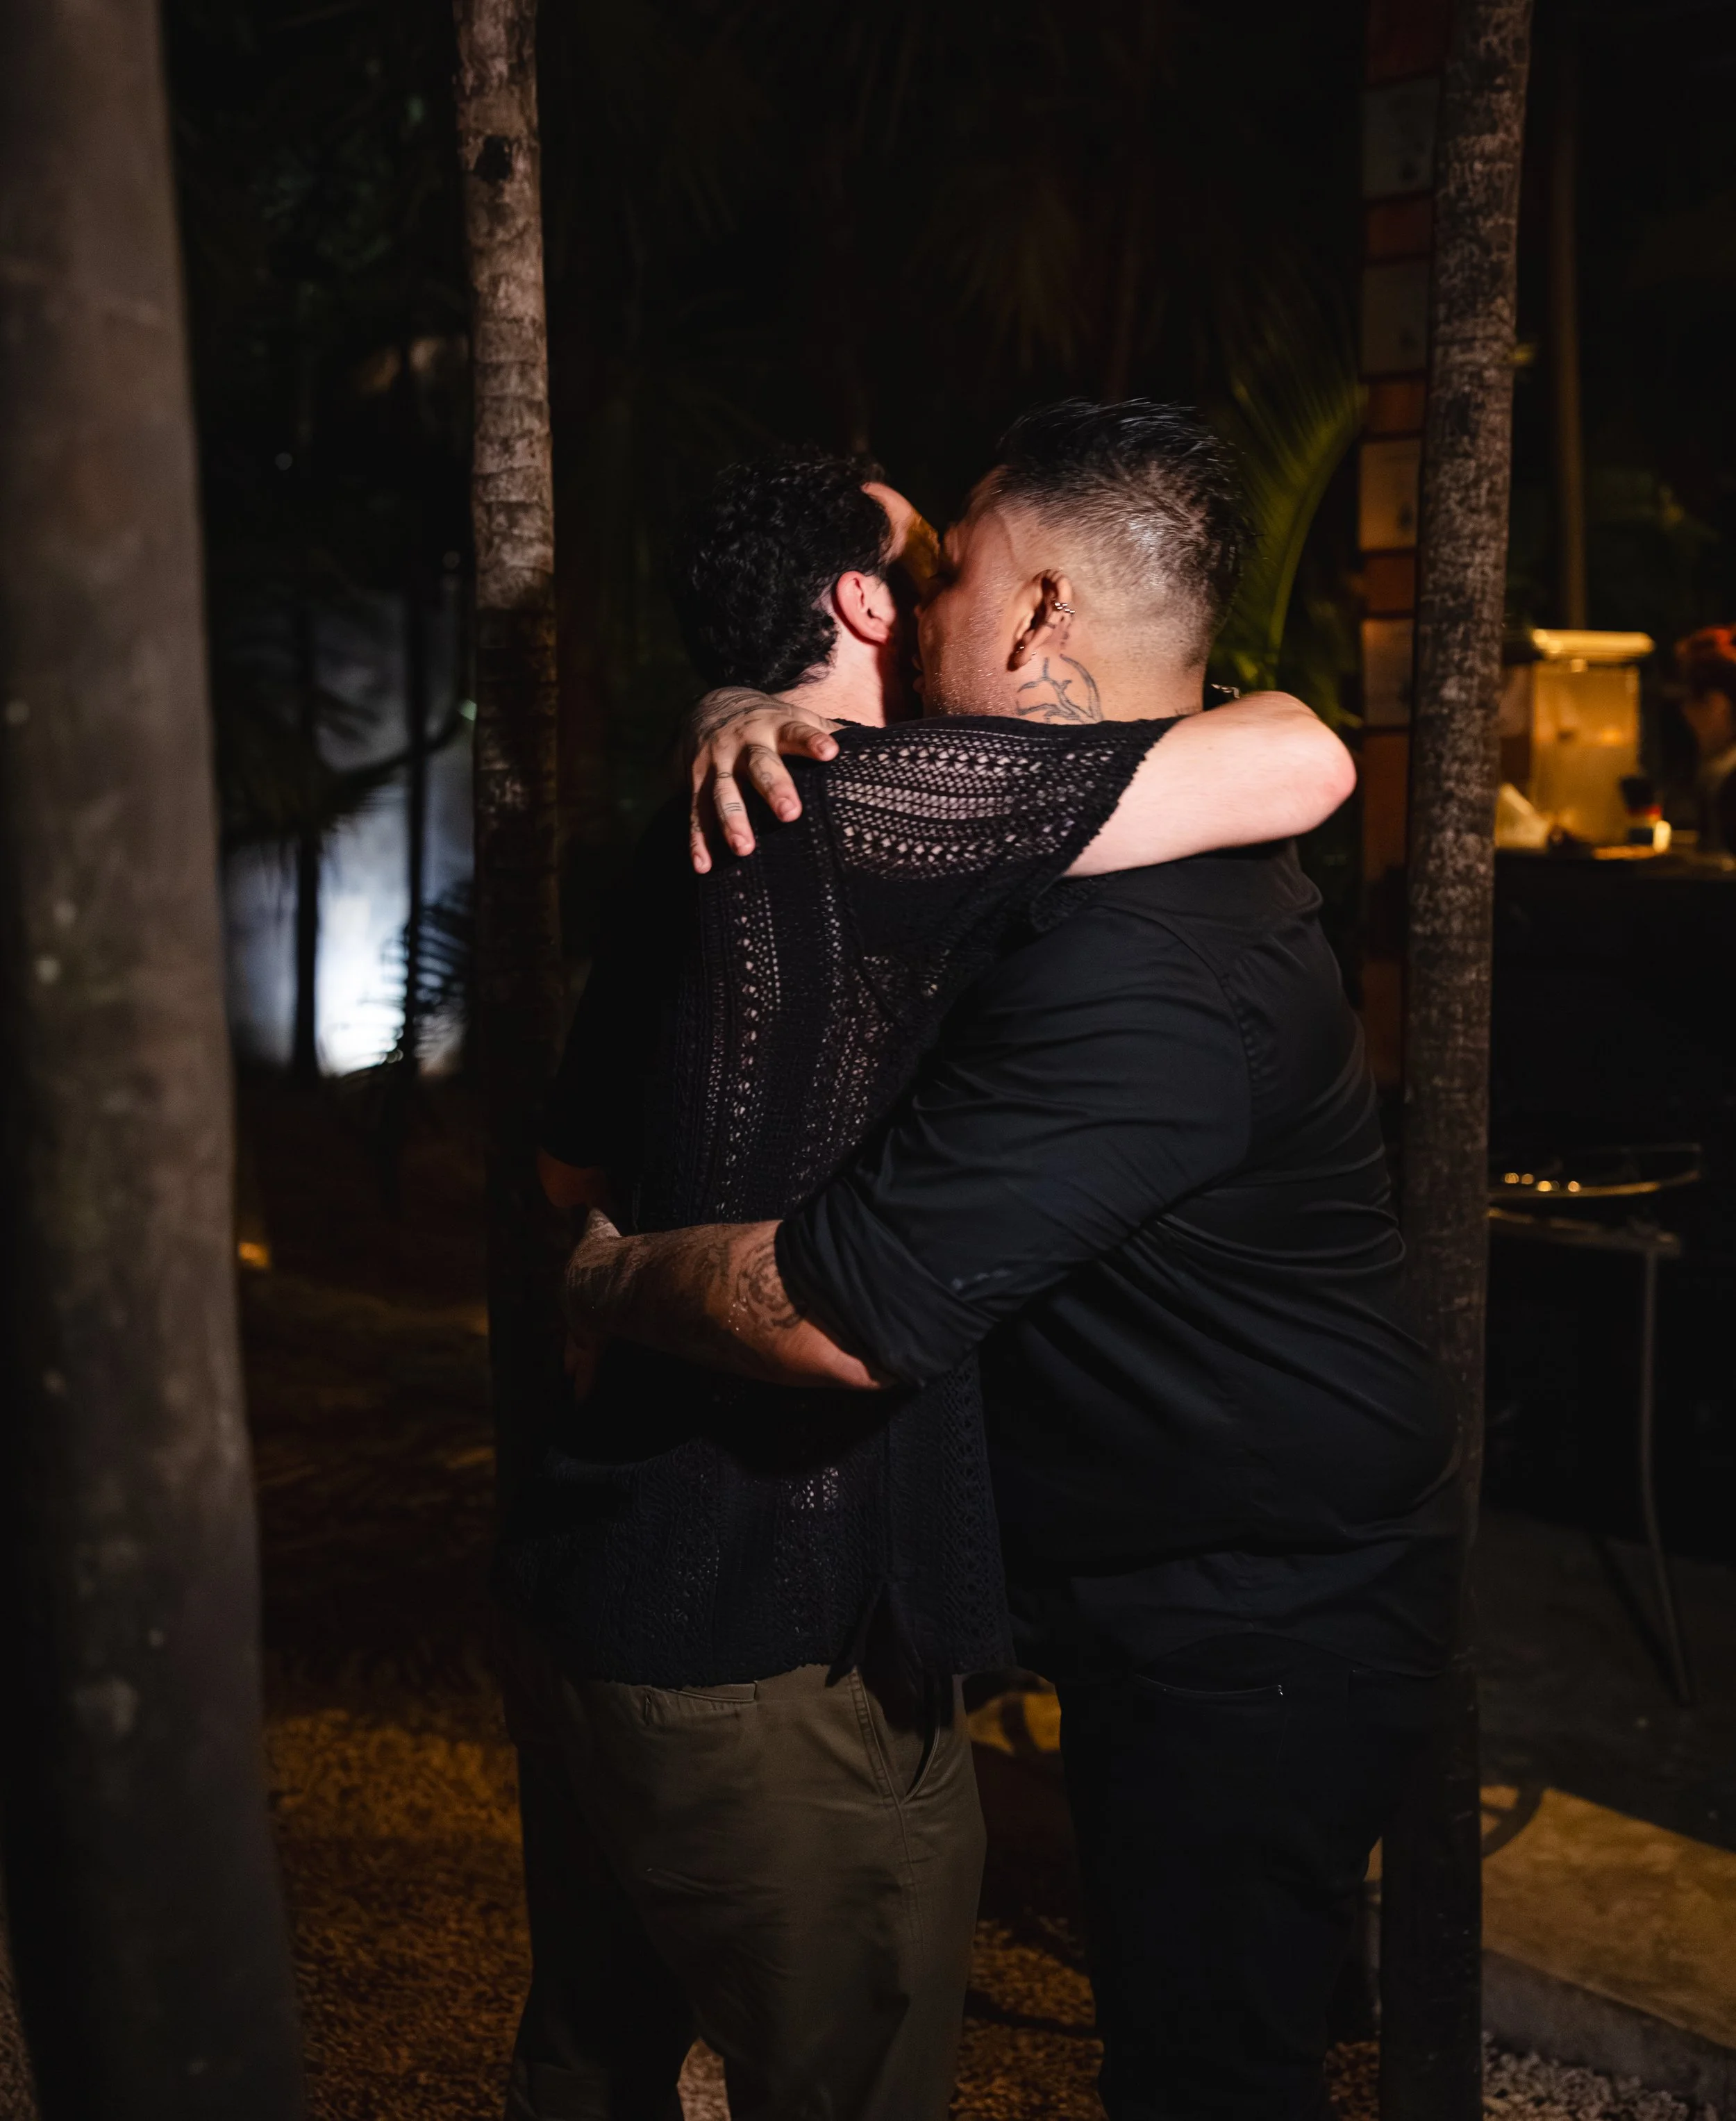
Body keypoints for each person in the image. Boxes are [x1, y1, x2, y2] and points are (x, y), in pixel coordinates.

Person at [566, 402, 1462, 2121]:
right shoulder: (1052, 831)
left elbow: (838, 1310)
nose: (913, 606)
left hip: (1260, 1611)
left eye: (954, 571)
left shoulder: (1153, 970)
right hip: (1156, 1564)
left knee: (1208, 2065)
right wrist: (738, 703)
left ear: (1043, 618)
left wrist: (606, 1279)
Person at [1674, 625, 1736, 854]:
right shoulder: (1721, 772)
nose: (1687, 715)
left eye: (1691, 702)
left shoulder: (1730, 780)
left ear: (1717, 705)